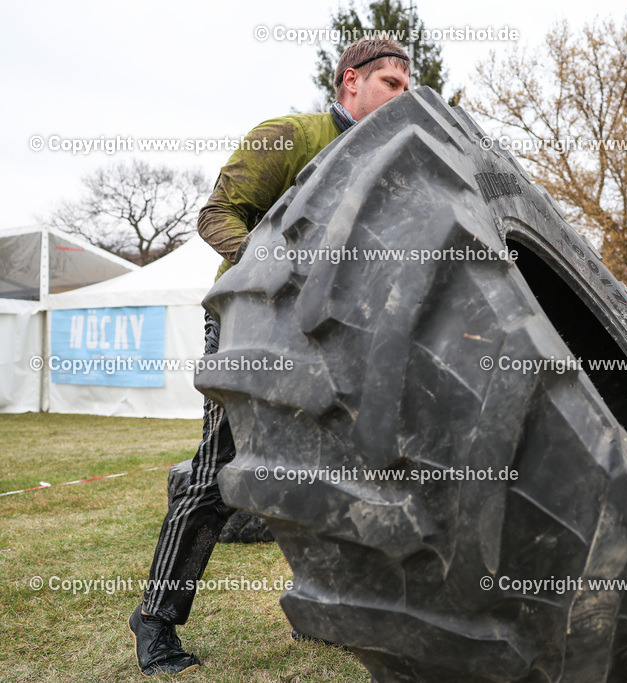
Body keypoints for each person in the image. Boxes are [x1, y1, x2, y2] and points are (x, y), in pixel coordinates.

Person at [128, 37, 411, 677]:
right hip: (248, 333)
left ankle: (333, 607)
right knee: (216, 476)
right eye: (391, 83)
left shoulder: (386, 161)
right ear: (350, 83)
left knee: (344, 470)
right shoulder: (290, 133)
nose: (403, 96)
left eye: (408, 85)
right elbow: (217, 216)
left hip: (333, 339)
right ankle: (154, 619)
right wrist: (280, 266)